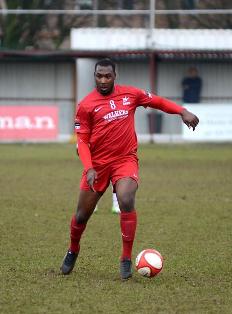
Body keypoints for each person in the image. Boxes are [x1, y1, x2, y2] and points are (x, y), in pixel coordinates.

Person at [61, 58, 199, 280]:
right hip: (97, 165)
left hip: (125, 160)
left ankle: (125, 257)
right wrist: (88, 168)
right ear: (94, 76)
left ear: (115, 76)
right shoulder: (86, 105)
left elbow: (158, 102)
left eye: (107, 76)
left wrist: (182, 111)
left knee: (126, 199)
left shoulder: (130, 94)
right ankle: (73, 249)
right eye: (99, 76)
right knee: (81, 216)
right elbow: (82, 142)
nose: (103, 80)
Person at [76, 141, 120, 214]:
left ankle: (117, 205)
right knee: (94, 178)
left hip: (113, 153)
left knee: (117, 178)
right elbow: (81, 145)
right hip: (97, 158)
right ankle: (92, 205)